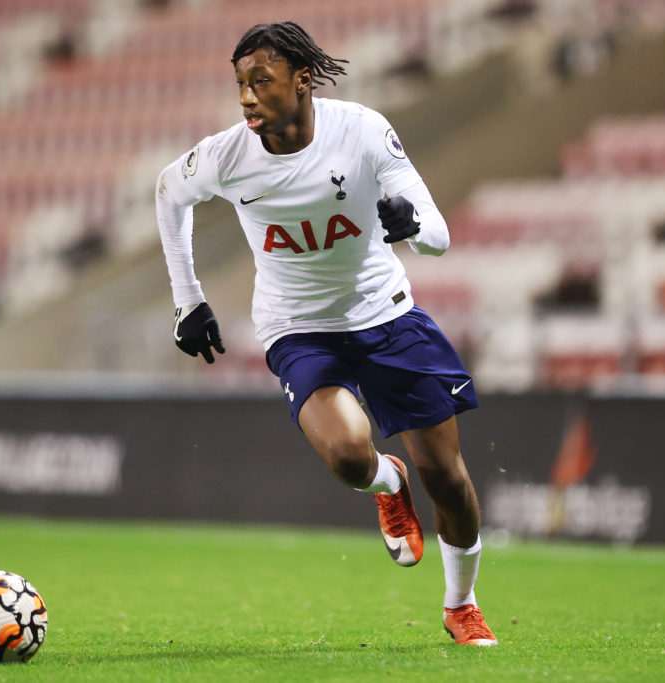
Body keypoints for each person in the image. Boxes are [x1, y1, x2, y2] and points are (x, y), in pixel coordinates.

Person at [155, 21, 497, 647]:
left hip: (386, 315)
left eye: (261, 81)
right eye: (240, 84)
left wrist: (410, 225)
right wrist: (189, 301)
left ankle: (461, 604)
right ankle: (385, 484)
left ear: (302, 80)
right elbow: (168, 193)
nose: (247, 98)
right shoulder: (228, 155)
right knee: (347, 456)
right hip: (299, 327)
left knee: (447, 478)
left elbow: (439, 237)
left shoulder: (362, 131)